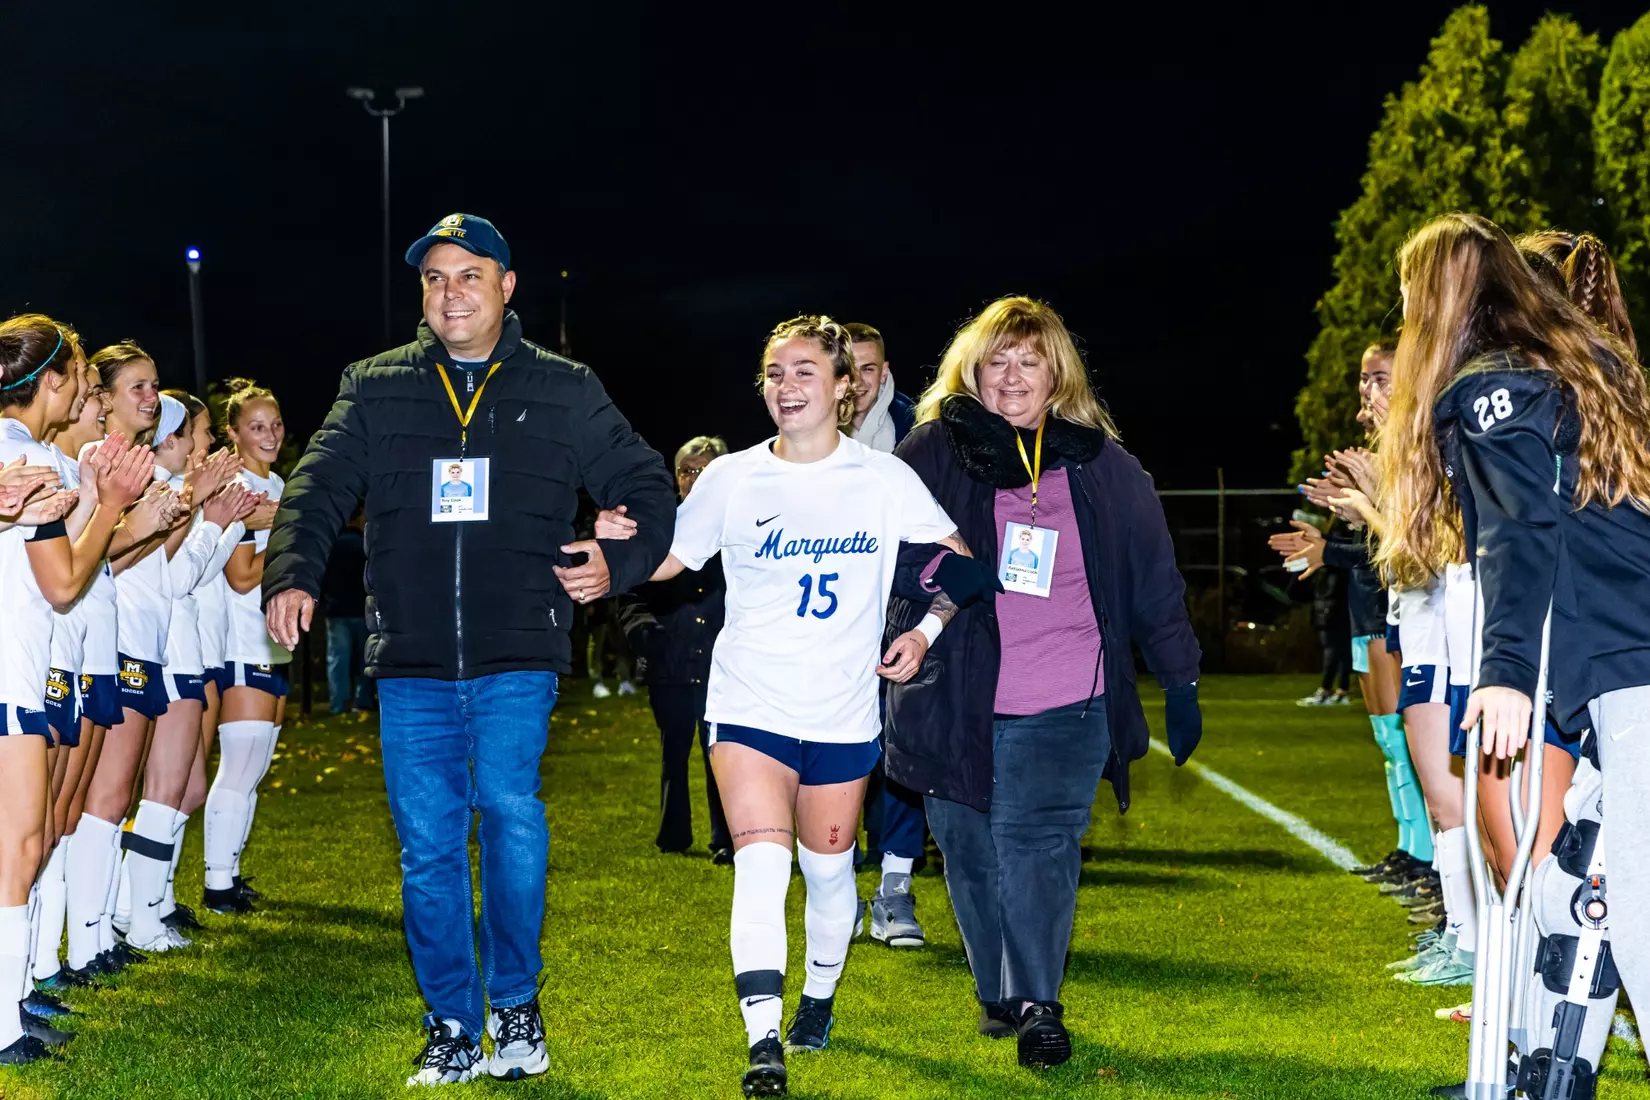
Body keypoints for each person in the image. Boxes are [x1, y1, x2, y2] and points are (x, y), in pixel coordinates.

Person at [261, 213, 676, 1086]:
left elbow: (643, 480)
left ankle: (516, 1005)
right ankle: (452, 1020)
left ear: (507, 287)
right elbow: (318, 482)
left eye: (470, 275)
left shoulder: (565, 387)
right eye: (436, 278)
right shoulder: (375, 386)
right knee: (429, 845)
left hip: (518, 646)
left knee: (511, 812)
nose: (452, 292)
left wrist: (620, 559)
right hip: (409, 655)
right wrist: (292, 573)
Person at [598, 313, 985, 1098]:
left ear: (845, 388)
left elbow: (966, 568)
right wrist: (613, 546)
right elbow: (670, 561)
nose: (786, 386)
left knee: (830, 872)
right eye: (775, 373)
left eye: (805, 371)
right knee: (762, 867)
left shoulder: (882, 478)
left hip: (842, 716)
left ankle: (817, 997)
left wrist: (926, 632)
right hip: (747, 706)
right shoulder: (732, 477)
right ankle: (763, 1037)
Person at [883, 296, 1202, 1070]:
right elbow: (882, 549)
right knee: (966, 849)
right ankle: (1000, 990)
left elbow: (1155, 576)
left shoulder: (1103, 464)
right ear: (973, 370)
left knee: (1039, 846)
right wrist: (938, 568)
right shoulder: (932, 450)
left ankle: (1036, 1003)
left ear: (1058, 373)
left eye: (1031, 360)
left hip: (1068, 691)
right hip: (954, 691)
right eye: (998, 360)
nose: (1014, 376)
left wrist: (1180, 676)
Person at [1380, 211, 1650, 1094]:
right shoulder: (1577, 370)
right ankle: (1546, 1068)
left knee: (1637, 912)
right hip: (1611, 660)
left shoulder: (1494, 384)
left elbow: (1520, 535)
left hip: (1623, 664)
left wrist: (1499, 676)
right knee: (1582, 882)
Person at [0, 314, 152, 1063]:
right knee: (20, 845)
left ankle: (14, 1004)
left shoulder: (24, 453)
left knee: (26, 842)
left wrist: (97, 500)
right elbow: (63, 583)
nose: (87, 388)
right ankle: (5, 1022)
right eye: (82, 374)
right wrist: (115, 505)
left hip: (29, 664)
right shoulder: (18, 455)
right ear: (51, 380)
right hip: (14, 668)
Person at [843, 322, 931, 949]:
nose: (862, 382)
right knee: (837, 752)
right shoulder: (807, 429)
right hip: (834, 618)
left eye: (871, 368)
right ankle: (838, 884)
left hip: (903, 611)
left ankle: (895, 887)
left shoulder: (921, 433)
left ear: (885, 368)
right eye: (851, 368)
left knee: (904, 749)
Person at [616, 435, 733, 861]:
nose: (693, 478)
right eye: (686, 469)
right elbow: (630, 594)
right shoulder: (659, 528)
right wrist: (644, 631)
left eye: (703, 470)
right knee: (673, 753)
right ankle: (673, 835)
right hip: (670, 657)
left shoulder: (737, 527)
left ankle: (726, 839)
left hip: (722, 660)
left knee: (721, 754)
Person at [202, 380, 287, 918]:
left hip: (271, 637)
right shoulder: (235, 485)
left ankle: (229, 875)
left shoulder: (274, 481)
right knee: (239, 764)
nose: (270, 435)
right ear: (232, 433)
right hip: (240, 638)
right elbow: (240, 576)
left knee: (255, 765)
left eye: (276, 424)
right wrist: (288, 534)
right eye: (257, 426)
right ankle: (216, 885)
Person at [320, 508, 373, 716]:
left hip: (336, 611)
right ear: (360, 518)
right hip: (362, 610)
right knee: (365, 661)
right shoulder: (365, 546)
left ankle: (338, 705)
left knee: (337, 661)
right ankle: (364, 702)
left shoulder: (330, 546)